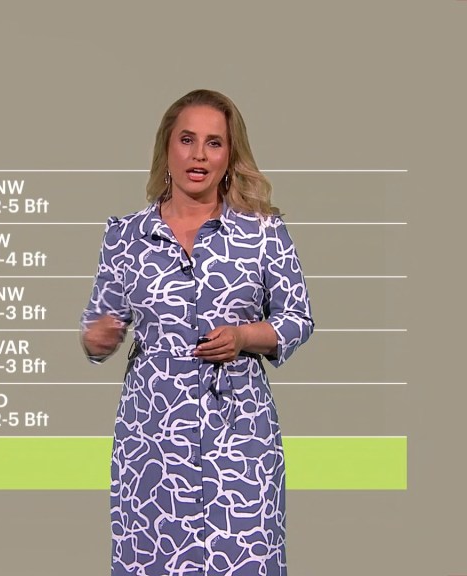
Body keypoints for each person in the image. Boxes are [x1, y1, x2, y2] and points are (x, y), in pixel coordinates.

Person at [81, 89, 314, 576]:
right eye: (187, 140)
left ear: (229, 155)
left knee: (245, 558)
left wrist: (244, 338)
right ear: (167, 147)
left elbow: (297, 318)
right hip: (151, 438)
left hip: (240, 435)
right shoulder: (125, 236)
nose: (199, 155)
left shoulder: (263, 233)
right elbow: (102, 323)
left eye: (214, 143)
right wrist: (97, 337)